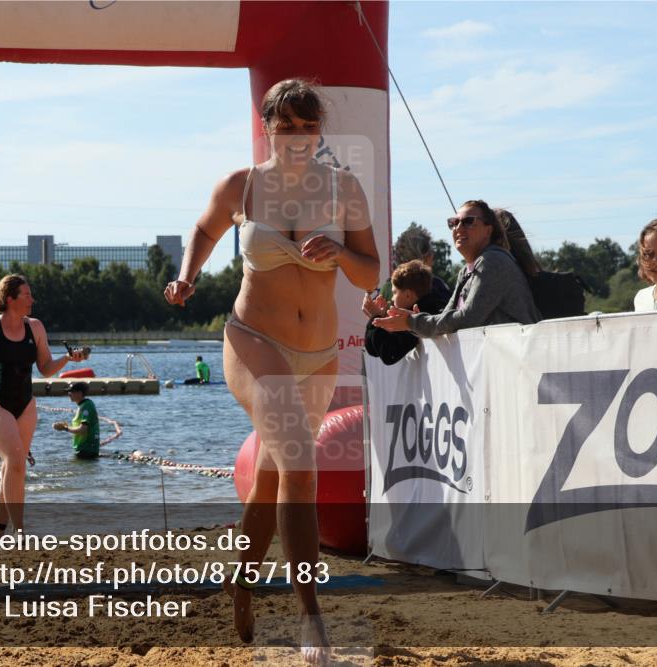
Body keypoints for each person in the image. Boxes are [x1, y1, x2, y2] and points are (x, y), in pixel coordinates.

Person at [164, 78, 379, 664]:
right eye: (287, 126)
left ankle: (242, 578)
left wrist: (340, 254)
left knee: (271, 475)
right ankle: (312, 616)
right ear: (268, 127)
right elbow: (206, 230)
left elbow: (370, 272)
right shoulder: (243, 185)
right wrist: (188, 275)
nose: (299, 137)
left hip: (318, 354)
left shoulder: (344, 189)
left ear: (319, 132)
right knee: (302, 469)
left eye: (309, 127)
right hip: (253, 340)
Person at [0, 274, 87, 535]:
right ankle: (20, 532)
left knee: (12, 468)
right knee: (16, 460)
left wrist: (67, 359)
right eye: (27, 295)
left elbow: (46, 368)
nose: (32, 299)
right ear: (10, 298)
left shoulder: (35, 327)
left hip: (25, 405)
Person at [374, 200, 539, 336]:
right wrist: (413, 321)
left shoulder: (493, 261)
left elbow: (467, 319)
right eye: (453, 222)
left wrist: (413, 322)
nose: (458, 228)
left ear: (488, 230)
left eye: (468, 221)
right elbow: (446, 319)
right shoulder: (466, 270)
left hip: (516, 367)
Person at [364, 260, 448, 365]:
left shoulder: (418, 315)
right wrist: (378, 320)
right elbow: (373, 351)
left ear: (408, 295)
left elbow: (389, 355)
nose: (392, 299)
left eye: (394, 293)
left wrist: (375, 317)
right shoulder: (415, 310)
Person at [53, 381, 105, 460]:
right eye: (68, 391)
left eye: (71, 391)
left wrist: (65, 428)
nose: (69, 394)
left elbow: (82, 430)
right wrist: (66, 426)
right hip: (85, 449)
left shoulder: (86, 406)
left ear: (80, 393)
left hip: (87, 450)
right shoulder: (83, 405)